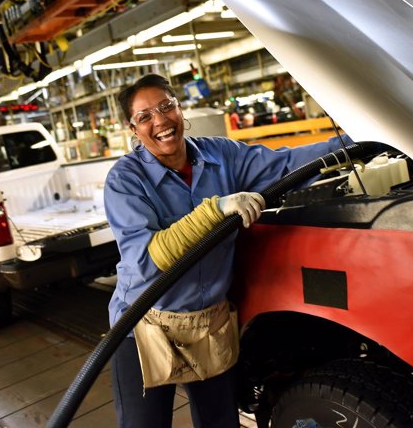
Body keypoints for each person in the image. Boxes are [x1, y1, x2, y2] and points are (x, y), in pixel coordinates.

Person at [103, 74, 352, 428]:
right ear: (132, 128)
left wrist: (360, 141)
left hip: (206, 322)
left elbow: (287, 165)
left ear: (179, 106)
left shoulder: (222, 155)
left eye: (165, 106)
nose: (160, 121)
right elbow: (146, 259)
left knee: (220, 424)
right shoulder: (125, 180)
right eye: (145, 116)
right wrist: (215, 211)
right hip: (143, 322)